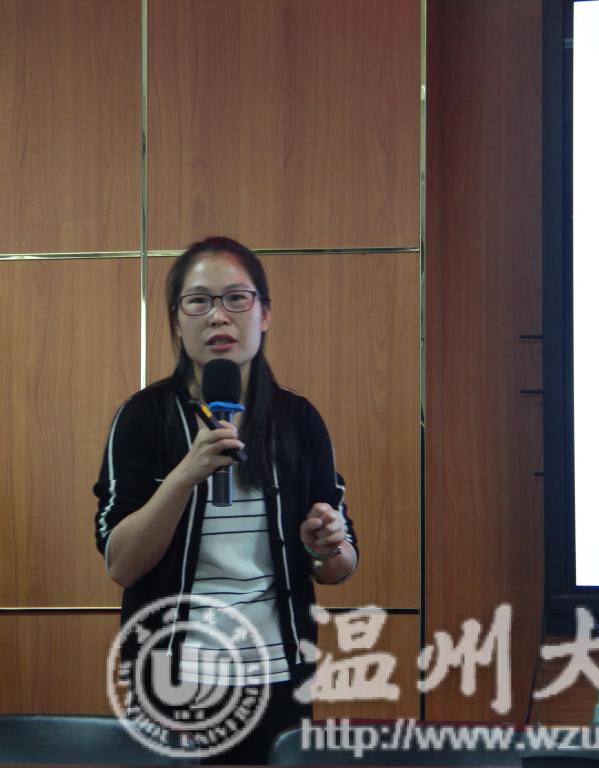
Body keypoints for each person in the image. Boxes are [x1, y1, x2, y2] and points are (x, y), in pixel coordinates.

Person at [93, 236, 359, 764]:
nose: (219, 316)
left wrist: (325, 544)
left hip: (279, 673)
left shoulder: (298, 419)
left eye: (237, 298)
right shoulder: (143, 417)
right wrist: (185, 475)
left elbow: (339, 567)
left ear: (265, 314)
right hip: (171, 674)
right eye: (199, 301)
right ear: (177, 320)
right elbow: (121, 564)